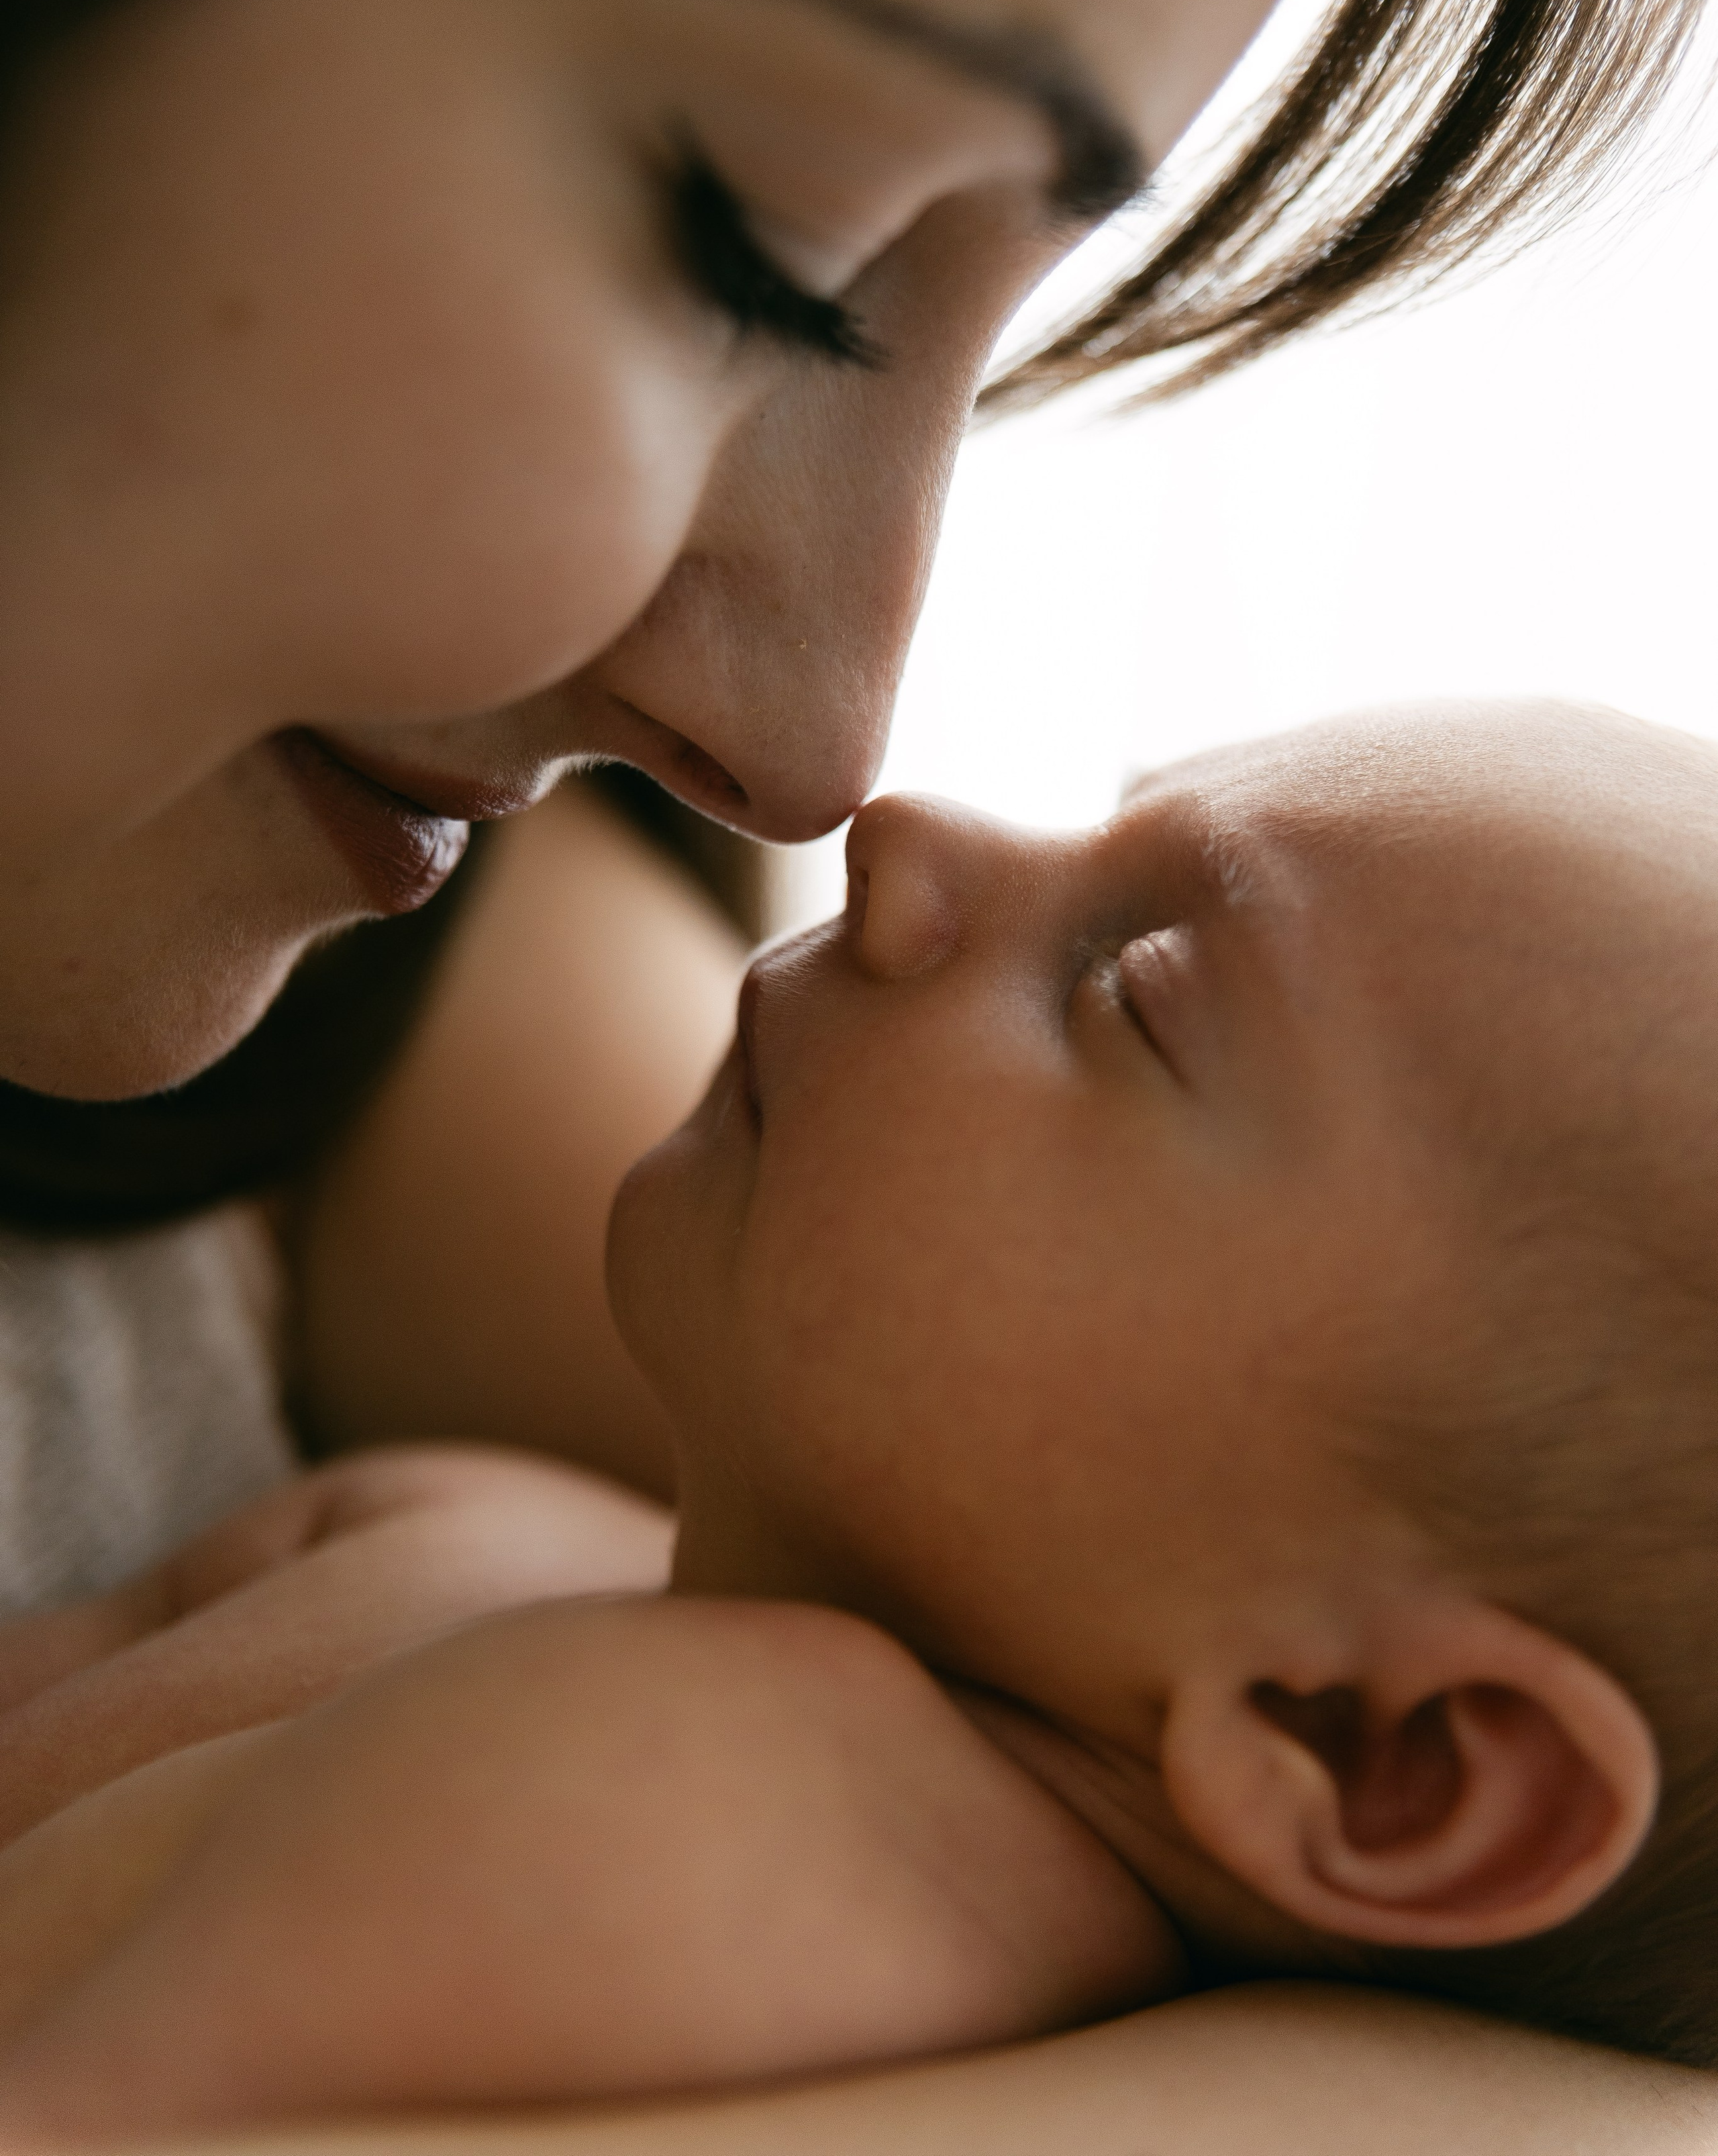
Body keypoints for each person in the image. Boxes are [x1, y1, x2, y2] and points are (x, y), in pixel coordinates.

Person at [1, 0, 1715, 2147]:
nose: (831, 773)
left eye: (1140, 1000)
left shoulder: (415, 1085)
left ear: (1379, 1757)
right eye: (772, 252)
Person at [3, 701, 1718, 2139]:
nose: (901, 828)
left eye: (1128, 992)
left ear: (1372, 1750)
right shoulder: (504, 1539)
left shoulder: (712, 1868)